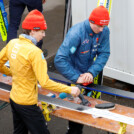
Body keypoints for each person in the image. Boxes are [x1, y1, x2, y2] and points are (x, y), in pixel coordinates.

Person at [0, 10, 80, 134]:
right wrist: (69, 89)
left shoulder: (12, 43)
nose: (44, 35)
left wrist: (12, 73)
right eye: (42, 31)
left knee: (19, 132)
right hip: (27, 104)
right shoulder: (35, 52)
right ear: (32, 31)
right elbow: (45, 82)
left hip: (14, 98)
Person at [54, 6, 110, 134]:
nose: (102, 30)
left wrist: (91, 72)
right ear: (92, 21)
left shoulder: (104, 31)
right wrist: (76, 77)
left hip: (89, 73)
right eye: (99, 27)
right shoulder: (76, 33)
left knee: (86, 105)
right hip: (73, 74)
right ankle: (73, 131)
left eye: (104, 27)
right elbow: (60, 59)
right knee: (75, 108)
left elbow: (104, 53)